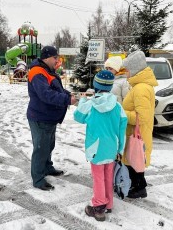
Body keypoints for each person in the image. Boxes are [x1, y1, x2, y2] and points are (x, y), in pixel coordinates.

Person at [74, 70, 127, 222]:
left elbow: (78, 116)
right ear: (110, 87)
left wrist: (83, 100)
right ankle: (108, 203)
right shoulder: (118, 107)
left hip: (95, 149)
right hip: (111, 148)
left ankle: (98, 208)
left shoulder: (90, 104)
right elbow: (121, 130)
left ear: (95, 86)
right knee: (107, 176)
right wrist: (120, 149)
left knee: (98, 178)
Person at [27, 46, 77, 191]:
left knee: (49, 145)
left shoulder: (47, 70)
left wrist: (68, 95)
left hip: (49, 117)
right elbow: (46, 95)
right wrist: (66, 100)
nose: (57, 60)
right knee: (41, 148)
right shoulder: (37, 73)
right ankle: (38, 178)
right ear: (47, 57)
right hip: (40, 117)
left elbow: (57, 90)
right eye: (55, 57)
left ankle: (47, 167)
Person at [122, 51, 158, 199]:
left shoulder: (141, 89)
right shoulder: (140, 86)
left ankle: (139, 188)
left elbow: (141, 117)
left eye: (127, 70)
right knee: (135, 159)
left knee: (135, 159)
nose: (126, 74)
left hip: (137, 133)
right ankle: (136, 185)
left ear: (135, 69)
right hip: (138, 132)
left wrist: (122, 113)